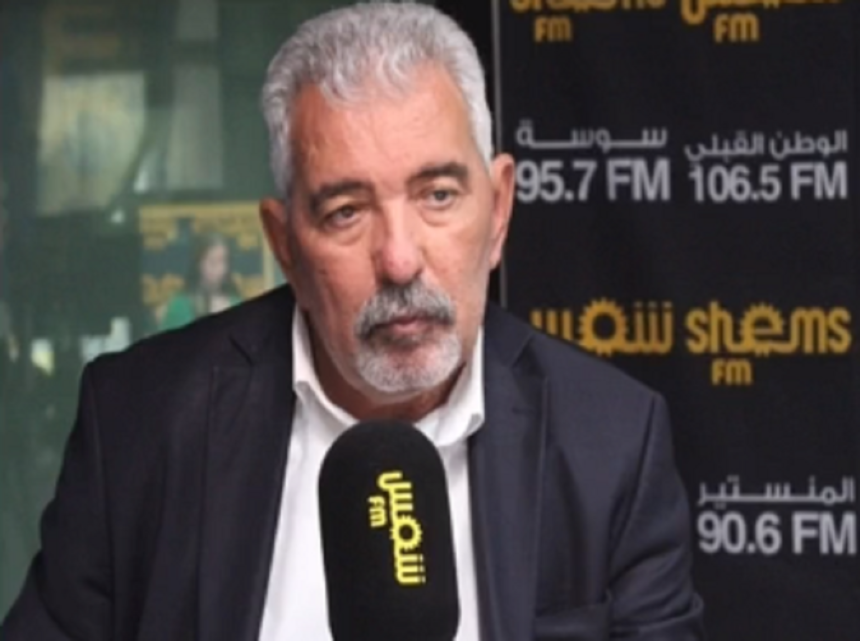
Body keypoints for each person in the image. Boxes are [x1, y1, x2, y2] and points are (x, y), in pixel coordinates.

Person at [0, 3, 705, 639]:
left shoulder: (611, 443)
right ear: (285, 247)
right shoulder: (139, 421)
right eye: (346, 212)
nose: (399, 260)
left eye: (437, 195)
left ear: (497, 212)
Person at [158, 232, 243, 331]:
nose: (218, 269)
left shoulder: (237, 305)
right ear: (198, 264)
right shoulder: (179, 307)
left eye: (222, 261)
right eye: (212, 261)